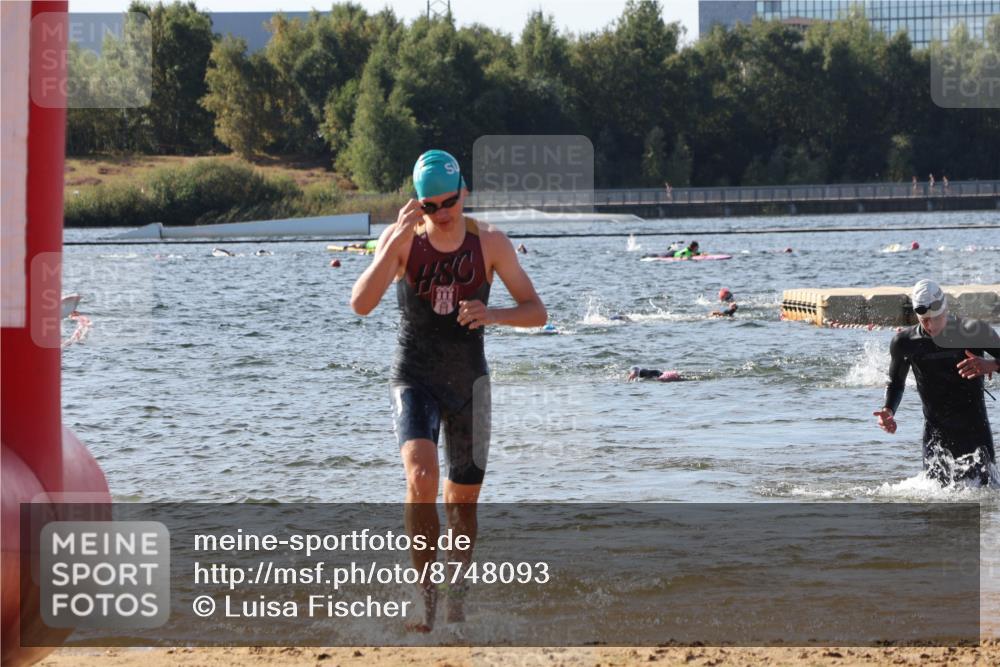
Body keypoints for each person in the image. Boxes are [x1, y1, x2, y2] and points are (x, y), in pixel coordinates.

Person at [350, 149, 546, 631]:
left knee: (463, 505)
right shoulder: (402, 240)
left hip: (469, 383)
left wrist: (492, 314)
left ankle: (456, 603)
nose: (441, 214)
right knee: (421, 478)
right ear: (417, 203)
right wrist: (391, 244)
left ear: (464, 193)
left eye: (449, 202)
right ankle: (427, 604)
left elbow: (536, 312)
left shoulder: (490, 242)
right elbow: (360, 304)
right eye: (430, 206)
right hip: (414, 377)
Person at [874, 279, 1000, 485]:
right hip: (936, 436)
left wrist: (991, 365)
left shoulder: (975, 331)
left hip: (975, 435)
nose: (930, 325)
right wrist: (888, 410)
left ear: (945, 309)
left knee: (985, 498)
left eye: (935, 318)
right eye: (924, 320)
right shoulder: (905, 343)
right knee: (935, 499)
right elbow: (896, 383)